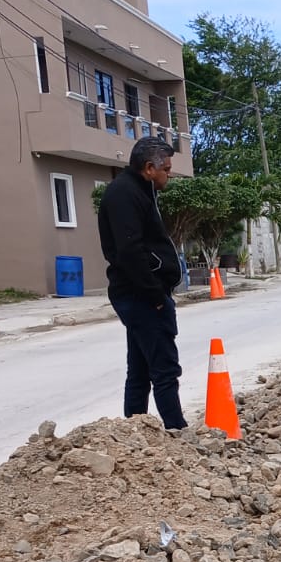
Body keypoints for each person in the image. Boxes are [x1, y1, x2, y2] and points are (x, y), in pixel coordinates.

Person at [99, 136, 186, 429]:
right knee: (164, 368)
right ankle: (176, 430)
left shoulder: (137, 190)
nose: (169, 175)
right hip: (141, 296)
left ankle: (134, 431)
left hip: (140, 295)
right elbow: (129, 251)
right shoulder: (125, 194)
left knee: (139, 368)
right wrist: (155, 296)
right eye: (166, 169)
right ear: (150, 168)